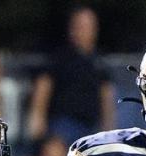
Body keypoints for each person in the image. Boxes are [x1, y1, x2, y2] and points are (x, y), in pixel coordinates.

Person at [26, 6, 115, 144]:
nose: (86, 31)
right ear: (72, 29)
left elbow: (106, 94)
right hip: (63, 126)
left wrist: (109, 126)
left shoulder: (99, 61)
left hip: (91, 127)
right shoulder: (60, 58)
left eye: (89, 26)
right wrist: (38, 119)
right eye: (81, 26)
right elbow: (44, 86)